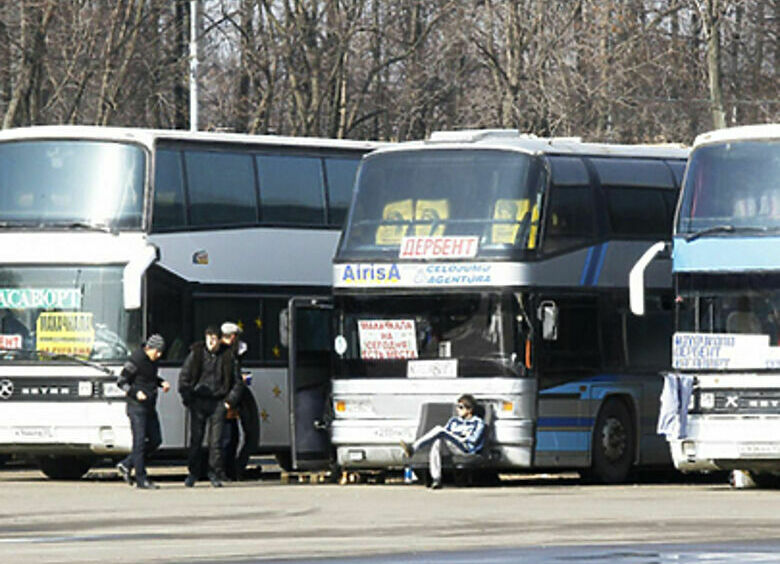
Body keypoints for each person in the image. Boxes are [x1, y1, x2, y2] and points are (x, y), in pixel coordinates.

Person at [179, 326, 242, 487]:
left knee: (216, 442)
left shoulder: (228, 356)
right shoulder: (196, 354)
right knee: (196, 440)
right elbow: (184, 378)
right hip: (198, 402)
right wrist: (188, 399)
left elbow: (237, 382)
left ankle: (214, 473)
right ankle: (193, 473)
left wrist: (229, 401)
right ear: (205, 339)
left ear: (219, 339)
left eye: (215, 339)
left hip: (218, 402)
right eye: (209, 339)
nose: (212, 343)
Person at [115, 334, 170, 489]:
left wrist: (161, 383)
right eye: (157, 352)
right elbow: (121, 382)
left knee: (155, 440)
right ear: (149, 348)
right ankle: (141, 478)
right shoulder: (135, 360)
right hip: (136, 406)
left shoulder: (153, 361)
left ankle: (127, 464)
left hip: (150, 405)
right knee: (139, 442)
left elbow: (149, 377)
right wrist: (135, 393)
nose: (158, 356)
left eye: (161, 353)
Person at [399, 394, 485, 489]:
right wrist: (451, 436)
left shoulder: (478, 422)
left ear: (469, 410)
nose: (458, 410)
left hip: (465, 447)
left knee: (439, 430)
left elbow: (474, 439)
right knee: (437, 441)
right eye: (457, 407)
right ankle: (436, 479)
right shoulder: (454, 421)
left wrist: (458, 437)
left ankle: (414, 448)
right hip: (453, 445)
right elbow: (445, 432)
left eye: (461, 407)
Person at [219, 321, 260, 480]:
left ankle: (233, 470)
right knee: (228, 438)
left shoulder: (232, 353)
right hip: (230, 398)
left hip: (235, 397)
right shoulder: (225, 354)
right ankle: (229, 471)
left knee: (233, 437)